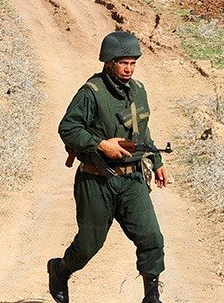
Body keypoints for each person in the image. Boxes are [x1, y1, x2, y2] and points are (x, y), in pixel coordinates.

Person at [48, 31, 169, 303]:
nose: (128, 68)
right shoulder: (91, 93)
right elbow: (68, 128)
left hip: (132, 180)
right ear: (108, 62)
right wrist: (101, 145)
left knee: (151, 237)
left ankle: (151, 297)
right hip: (96, 180)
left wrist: (157, 162)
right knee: (89, 244)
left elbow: (141, 132)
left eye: (133, 63)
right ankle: (60, 270)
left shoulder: (138, 91)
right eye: (123, 62)